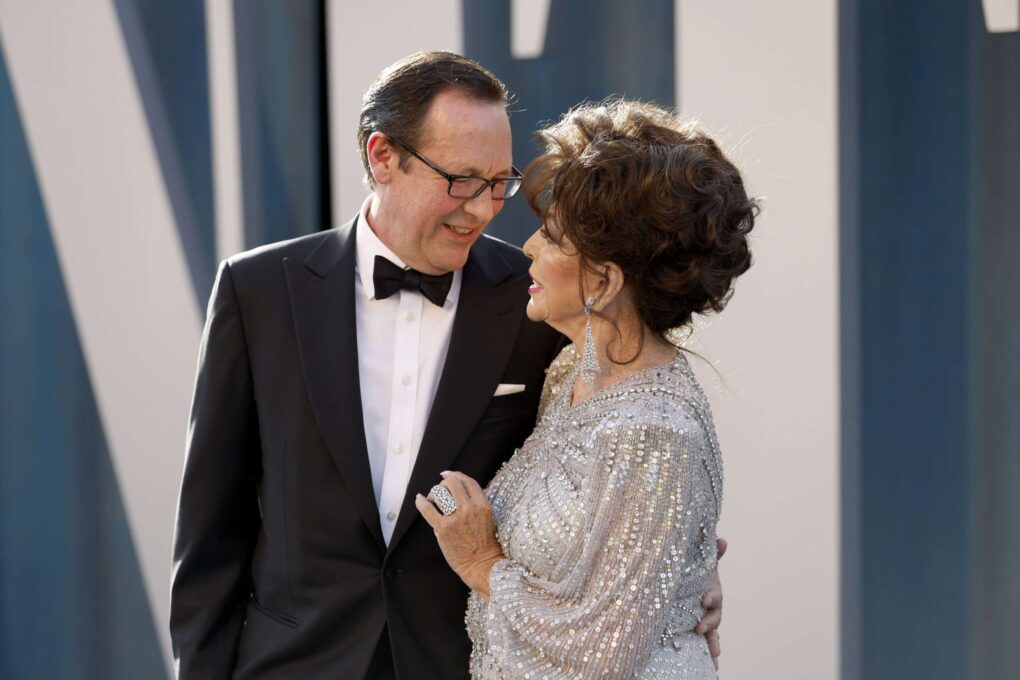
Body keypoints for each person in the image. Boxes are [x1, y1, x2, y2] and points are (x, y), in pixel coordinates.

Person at [170, 52, 722, 679]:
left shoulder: (538, 301)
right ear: (383, 157)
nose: (486, 209)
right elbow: (210, 538)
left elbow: (626, 475)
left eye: (499, 182)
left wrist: (683, 583)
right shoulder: (259, 291)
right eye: (461, 180)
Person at [416, 99, 754, 678]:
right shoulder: (570, 373)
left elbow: (606, 654)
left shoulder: (653, 431)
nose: (526, 249)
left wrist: (482, 562)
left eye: (551, 237)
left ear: (604, 279)